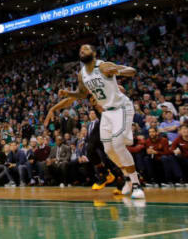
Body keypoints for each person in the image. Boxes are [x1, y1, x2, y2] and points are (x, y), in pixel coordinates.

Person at [59, 44, 144, 199]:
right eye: (80, 49)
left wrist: (118, 70)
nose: (82, 50)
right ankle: (128, 179)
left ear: (94, 53)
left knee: (118, 144)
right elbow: (82, 93)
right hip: (106, 112)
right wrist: (68, 93)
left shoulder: (103, 66)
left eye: (85, 49)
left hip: (120, 108)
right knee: (109, 150)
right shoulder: (82, 74)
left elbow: (132, 71)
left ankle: (137, 184)